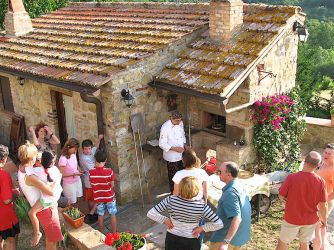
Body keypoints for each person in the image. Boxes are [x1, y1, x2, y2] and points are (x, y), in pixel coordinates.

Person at [147, 176, 224, 250]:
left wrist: (165, 220)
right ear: (197, 190)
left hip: (172, 238)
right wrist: (202, 228)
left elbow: (151, 213)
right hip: (191, 240)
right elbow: (219, 224)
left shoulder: (170, 200)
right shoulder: (202, 206)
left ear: (180, 188)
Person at [276, 151, 327, 250]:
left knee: (283, 243)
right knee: (304, 243)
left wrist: (290, 200)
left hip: (292, 218)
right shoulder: (321, 182)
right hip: (310, 220)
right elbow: (323, 205)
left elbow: (281, 196)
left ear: (304, 160)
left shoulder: (291, 178)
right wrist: (323, 219)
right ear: (318, 165)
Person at [18, 141, 63, 250]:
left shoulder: (22, 167)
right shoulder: (31, 177)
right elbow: (51, 192)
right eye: (36, 155)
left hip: (42, 208)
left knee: (50, 238)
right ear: (32, 159)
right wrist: (58, 179)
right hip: (47, 210)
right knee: (52, 242)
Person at [210, 162, 251, 250]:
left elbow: (237, 218)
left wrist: (225, 242)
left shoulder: (230, 193)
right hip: (240, 236)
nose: (218, 174)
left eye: (220, 172)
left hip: (226, 238)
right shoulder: (241, 185)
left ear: (228, 174)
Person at [27, 150, 62, 246]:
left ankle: (37, 232)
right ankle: (37, 233)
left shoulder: (38, 171)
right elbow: (59, 176)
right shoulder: (55, 170)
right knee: (52, 237)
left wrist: (34, 161)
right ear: (53, 162)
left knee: (31, 212)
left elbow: (28, 170)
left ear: (41, 160)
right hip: (53, 198)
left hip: (46, 200)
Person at [89, 149, 117, 233]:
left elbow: (92, 185)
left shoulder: (91, 172)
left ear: (94, 159)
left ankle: (101, 232)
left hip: (99, 198)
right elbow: (112, 185)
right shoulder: (109, 171)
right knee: (112, 214)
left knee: (100, 215)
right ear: (105, 160)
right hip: (109, 196)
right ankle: (114, 233)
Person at [159, 110, 187, 193]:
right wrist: (175, 149)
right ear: (171, 118)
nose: (179, 122)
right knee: (174, 178)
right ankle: (173, 194)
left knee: (182, 175)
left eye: (180, 120)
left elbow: (182, 135)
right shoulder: (165, 127)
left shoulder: (180, 123)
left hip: (181, 155)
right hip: (171, 158)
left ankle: (182, 192)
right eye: (176, 121)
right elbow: (162, 143)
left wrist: (185, 145)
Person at [314, 143, 334, 250]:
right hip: (316, 199)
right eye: (325, 152)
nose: (326, 154)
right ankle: (321, 246)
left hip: (326, 201)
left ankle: (319, 247)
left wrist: (324, 201)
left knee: (319, 225)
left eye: (329, 153)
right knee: (320, 225)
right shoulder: (322, 163)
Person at [80, 134, 103, 223]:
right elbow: (93, 168)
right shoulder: (84, 158)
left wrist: (99, 138)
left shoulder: (91, 152)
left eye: (89, 148)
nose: (88, 151)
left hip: (94, 180)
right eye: (86, 149)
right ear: (83, 149)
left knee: (95, 198)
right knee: (91, 199)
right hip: (89, 181)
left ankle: (92, 214)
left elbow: (95, 147)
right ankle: (91, 214)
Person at [0, 145, 20, 250]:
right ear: (4, 159)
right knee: (10, 241)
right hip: (4, 217)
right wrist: (15, 193)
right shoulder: (4, 175)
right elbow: (7, 200)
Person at [58, 138, 83, 206]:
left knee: (78, 199)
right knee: (71, 203)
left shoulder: (73, 154)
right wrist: (74, 174)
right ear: (68, 147)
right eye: (74, 149)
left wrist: (78, 167)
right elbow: (61, 174)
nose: (76, 151)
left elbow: (75, 162)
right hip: (69, 184)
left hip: (77, 180)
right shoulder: (63, 159)